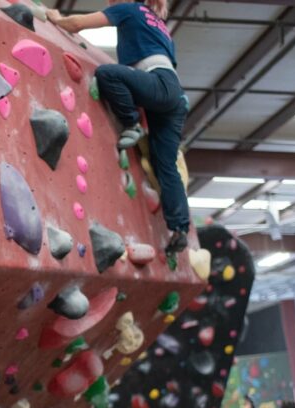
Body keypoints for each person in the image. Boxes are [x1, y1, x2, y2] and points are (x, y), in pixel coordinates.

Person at [46, 0, 190, 256]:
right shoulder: (157, 22)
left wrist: (55, 17)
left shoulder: (130, 9)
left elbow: (77, 24)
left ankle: (131, 123)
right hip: (174, 95)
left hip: (158, 83)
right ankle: (179, 229)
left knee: (108, 74)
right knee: (165, 165)